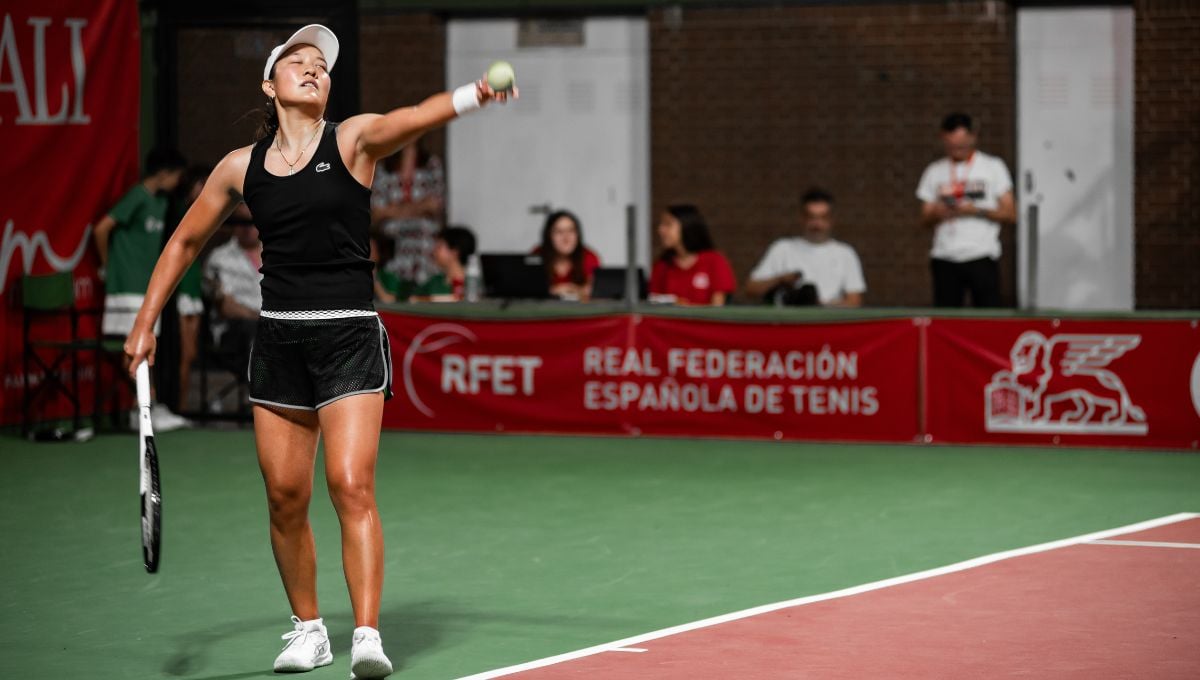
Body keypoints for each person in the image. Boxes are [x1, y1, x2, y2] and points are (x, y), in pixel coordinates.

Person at [122, 24, 513, 678]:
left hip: (349, 336)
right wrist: (145, 321)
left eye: (321, 66)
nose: (312, 70)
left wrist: (473, 95)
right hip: (279, 341)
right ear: (269, 84)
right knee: (284, 497)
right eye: (297, 62)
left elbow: (413, 118)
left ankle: (366, 634)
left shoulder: (352, 140)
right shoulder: (239, 167)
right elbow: (184, 243)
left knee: (350, 484)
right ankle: (309, 631)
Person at [94, 147, 190, 431]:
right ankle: (144, 409)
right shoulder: (137, 196)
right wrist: (107, 267)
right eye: (177, 176)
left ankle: (147, 407)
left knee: (147, 350)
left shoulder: (161, 202)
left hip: (147, 289)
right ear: (164, 173)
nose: (178, 182)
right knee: (137, 350)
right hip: (127, 289)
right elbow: (101, 229)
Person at [916, 112, 1016, 307]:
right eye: (952, 145)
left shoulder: (992, 167)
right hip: (944, 256)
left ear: (973, 137)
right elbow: (924, 219)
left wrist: (976, 211)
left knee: (988, 317)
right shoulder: (934, 171)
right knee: (946, 318)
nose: (957, 150)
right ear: (943, 138)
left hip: (982, 255)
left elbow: (1011, 213)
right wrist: (938, 213)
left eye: (962, 145)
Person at [744, 188, 866, 307]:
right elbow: (751, 288)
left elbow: (854, 301)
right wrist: (780, 280)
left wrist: (820, 306)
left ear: (831, 220)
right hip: (789, 317)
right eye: (811, 217)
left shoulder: (845, 253)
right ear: (802, 218)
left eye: (823, 217)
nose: (817, 224)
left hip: (829, 318)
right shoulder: (783, 248)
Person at [371, 139, 445, 285]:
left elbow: (435, 206)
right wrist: (420, 207)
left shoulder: (431, 164)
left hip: (425, 244)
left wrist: (395, 209)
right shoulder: (383, 166)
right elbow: (377, 212)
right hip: (391, 244)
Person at [169, 165, 211, 411]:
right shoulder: (179, 212)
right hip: (183, 289)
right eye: (201, 184)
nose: (205, 189)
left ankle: (182, 407)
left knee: (191, 354)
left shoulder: (204, 210)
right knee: (182, 355)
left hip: (195, 287)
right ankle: (177, 407)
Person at [203, 204, 263, 376]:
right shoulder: (219, 258)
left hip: (273, 327)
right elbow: (226, 307)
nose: (248, 227)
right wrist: (263, 319)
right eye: (242, 222)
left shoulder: (278, 253)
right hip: (235, 332)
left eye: (252, 221)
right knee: (253, 330)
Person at [649, 204, 736, 306]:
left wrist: (686, 308)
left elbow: (718, 308)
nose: (660, 230)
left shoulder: (714, 260)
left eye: (668, 224)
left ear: (686, 225)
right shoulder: (662, 265)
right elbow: (654, 304)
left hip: (702, 317)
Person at [532, 210, 600, 301]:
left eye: (571, 231)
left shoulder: (588, 257)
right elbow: (529, 291)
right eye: (559, 232)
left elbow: (594, 292)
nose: (566, 238)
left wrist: (566, 288)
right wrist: (575, 290)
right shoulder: (537, 255)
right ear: (548, 236)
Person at [408, 225, 476, 301]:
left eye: (439, 247)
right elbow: (412, 300)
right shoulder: (434, 282)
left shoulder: (473, 285)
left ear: (454, 252)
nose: (433, 251)